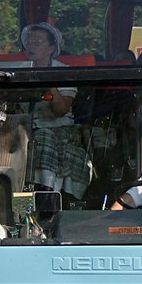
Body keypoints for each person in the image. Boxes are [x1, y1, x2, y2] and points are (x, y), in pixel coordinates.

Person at [22, 22, 91, 199]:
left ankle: (45, 193)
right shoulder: (18, 70)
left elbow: (60, 110)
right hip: (21, 127)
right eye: (30, 42)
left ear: (52, 48)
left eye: (38, 42)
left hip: (58, 129)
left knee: (43, 137)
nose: (32, 46)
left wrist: (49, 83)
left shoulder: (63, 72)